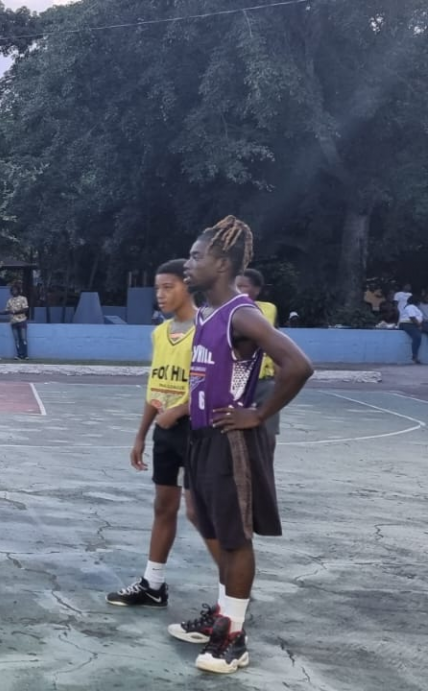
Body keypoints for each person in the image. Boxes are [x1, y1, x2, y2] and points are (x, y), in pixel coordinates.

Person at [172, 216, 313, 675]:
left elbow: (298, 365)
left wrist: (258, 413)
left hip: (230, 439)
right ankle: (222, 612)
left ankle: (232, 636)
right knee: (202, 517)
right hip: (201, 436)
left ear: (223, 262)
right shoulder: (209, 314)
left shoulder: (242, 313)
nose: (189, 264)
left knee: (235, 536)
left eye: (197, 256)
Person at [109, 260, 200, 608]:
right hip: (165, 431)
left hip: (197, 429)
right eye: (157, 288)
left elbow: (213, 385)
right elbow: (156, 387)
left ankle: (232, 594)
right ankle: (153, 583)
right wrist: (141, 434)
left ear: (187, 286)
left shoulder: (207, 329)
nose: (160, 295)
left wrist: (180, 410)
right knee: (164, 506)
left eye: (168, 287)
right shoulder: (160, 332)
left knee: (199, 512)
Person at [235, 270, 280, 435]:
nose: (238, 290)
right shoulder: (225, 310)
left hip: (263, 382)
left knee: (267, 433)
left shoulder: (268, 310)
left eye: (243, 286)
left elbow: (277, 346)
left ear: (257, 289)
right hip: (234, 382)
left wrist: (277, 377)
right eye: (235, 286)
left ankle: (266, 460)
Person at [6, 282, 30, 360]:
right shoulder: (9, 300)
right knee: (16, 339)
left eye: (15, 290)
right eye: (12, 290)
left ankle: (25, 355)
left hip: (22, 321)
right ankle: (19, 354)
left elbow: (25, 309)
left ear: (18, 291)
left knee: (23, 338)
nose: (14, 291)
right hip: (13, 322)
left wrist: (16, 312)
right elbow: (7, 310)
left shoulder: (23, 298)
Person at [400, 294, 423, 364]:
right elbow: (412, 317)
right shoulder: (410, 307)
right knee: (417, 337)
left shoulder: (415, 308)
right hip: (408, 323)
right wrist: (419, 325)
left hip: (414, 323)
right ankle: (414, 356)